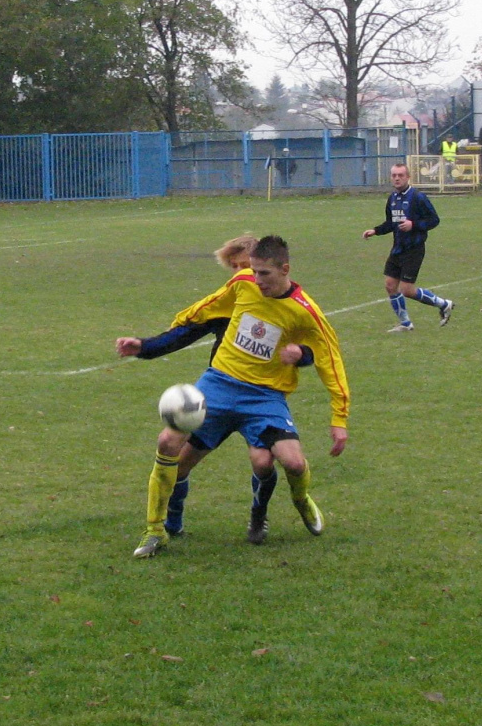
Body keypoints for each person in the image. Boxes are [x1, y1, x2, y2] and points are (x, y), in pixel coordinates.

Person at [116, 235, 350, 558]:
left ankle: (301, 499)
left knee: (293, 462)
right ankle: (156, 530)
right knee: (168, 444)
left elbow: (330, 361)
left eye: (264, 274)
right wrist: (146, 345)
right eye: (253, 272)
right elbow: (201, 313)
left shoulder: (306, 312)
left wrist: (338, 418)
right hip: (219, 385)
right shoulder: (242, 284)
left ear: (285, 270)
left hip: (264, 397)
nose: (256, 280)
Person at [362, 163, 455, 333]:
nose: (397, 178)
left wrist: (414, 224)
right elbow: (391, 223)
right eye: (394, 175)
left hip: (414, 249)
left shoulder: (418, 197)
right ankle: (405, 324)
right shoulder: (392, 198)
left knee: (406, 290)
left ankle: (444, 304)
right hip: (398, 248)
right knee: (390, 285)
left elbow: (434, 220)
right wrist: (375, 231)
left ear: (408, 177)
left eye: (401, 175)